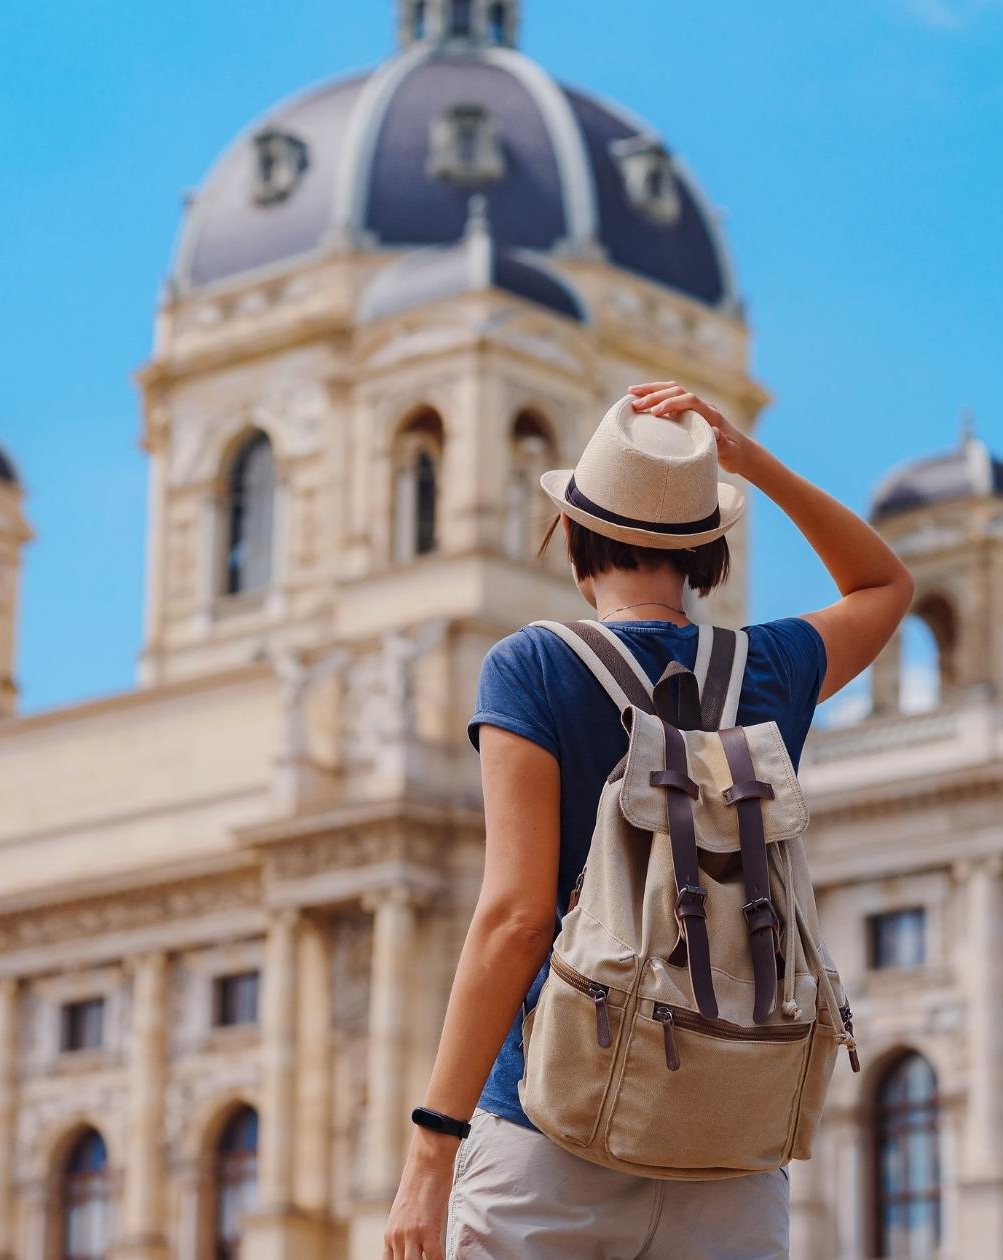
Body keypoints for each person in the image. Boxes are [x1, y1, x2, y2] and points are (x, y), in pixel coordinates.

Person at [382, 381, 913, 1260]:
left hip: (552, 1136)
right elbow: (885, 583)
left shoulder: (532, 667)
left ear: (574, 536)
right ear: (707, 552)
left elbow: (515, 921)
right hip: (732, 1155)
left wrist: (431, 1149)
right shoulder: (770, 669)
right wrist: (746, 461)